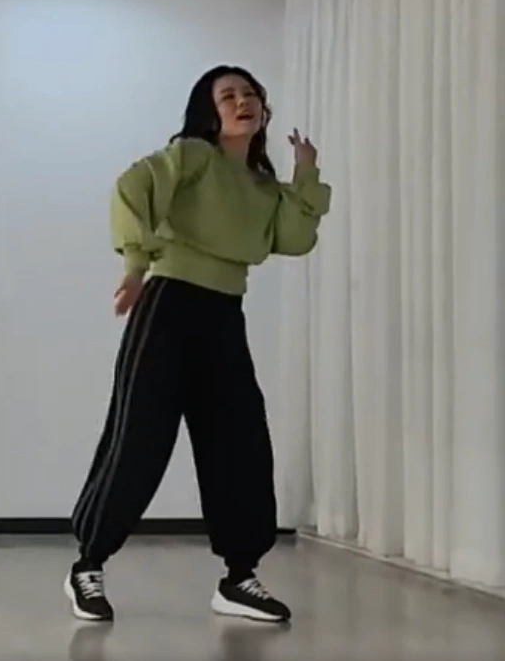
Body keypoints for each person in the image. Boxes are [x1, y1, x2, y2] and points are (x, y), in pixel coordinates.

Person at [64, 65, 331, 624]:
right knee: (139, 440)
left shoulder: (263, 187)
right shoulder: (192, 156)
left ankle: (238, 577)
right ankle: (88, 564)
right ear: (209, 111)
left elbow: (294, 238)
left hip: (224, 316)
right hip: (169, 306)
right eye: (227, 95)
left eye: (250, 93)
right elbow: (132, 188)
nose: (242, 101)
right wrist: (135, 265)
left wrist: (306, 172)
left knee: (240, 444)